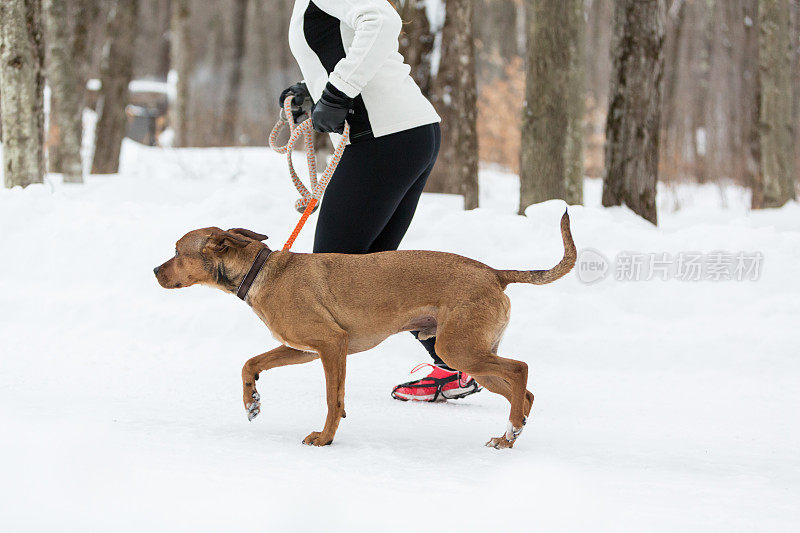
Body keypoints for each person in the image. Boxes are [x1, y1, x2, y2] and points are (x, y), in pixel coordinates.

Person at [280, 0, 481, 402]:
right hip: (404, 134)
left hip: (384, 138)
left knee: (331, 275)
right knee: (372, 276)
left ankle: (456, 365)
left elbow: (382, 21)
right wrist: (315, 88)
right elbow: (352, 43)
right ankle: (455, 366)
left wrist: (337, 92)